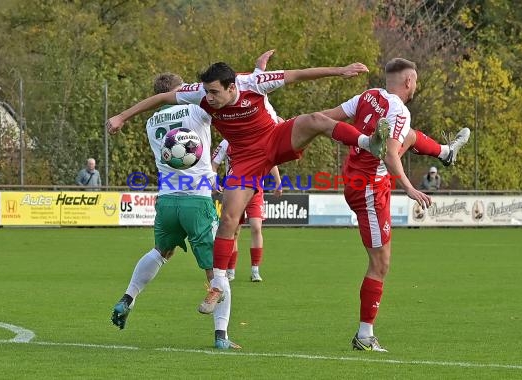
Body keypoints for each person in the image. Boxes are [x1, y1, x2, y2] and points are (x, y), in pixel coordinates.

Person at [106, 50, 391, 319]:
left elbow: (298, 74)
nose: (210, 97)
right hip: (244, 158)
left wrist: (340, 70)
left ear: (232, 87)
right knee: (229, 217)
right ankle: (217, 283)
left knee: (315, 119)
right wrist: (122, 116)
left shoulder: (252, 83)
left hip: (274, 138)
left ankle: (368, 142)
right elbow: (161, 98)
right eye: (207, 92)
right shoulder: (199, 95)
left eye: (215, 92)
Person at [321, 57, 470, 352]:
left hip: (355, 178)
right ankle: (365, 335)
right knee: (381, 263)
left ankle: (445, 152)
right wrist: (410, 187)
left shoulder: (369, 96)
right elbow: (390, 155)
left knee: (411, 137)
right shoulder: (399, 111)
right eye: (416, 82)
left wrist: (295, 124)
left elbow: (330, 116)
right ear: (409, 81)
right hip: (369, 189)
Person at [110, 72, 243, 350]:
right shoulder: (196, 107)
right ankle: (221, 336)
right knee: (217, 269)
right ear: (180, 90)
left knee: (162, 251)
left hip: (168, 199)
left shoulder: (151, 122)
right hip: (196, 200)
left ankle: (128, 297)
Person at [211, 139, 283, 282]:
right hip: (234, 189)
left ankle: (255, 270)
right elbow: (213, 165)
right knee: (234, 231)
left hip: (256, 189)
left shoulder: (258, 138)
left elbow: (271, 161)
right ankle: (231, 270)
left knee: (256, 227)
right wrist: (213, 182)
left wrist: (278, 182)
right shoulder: (226, 142)